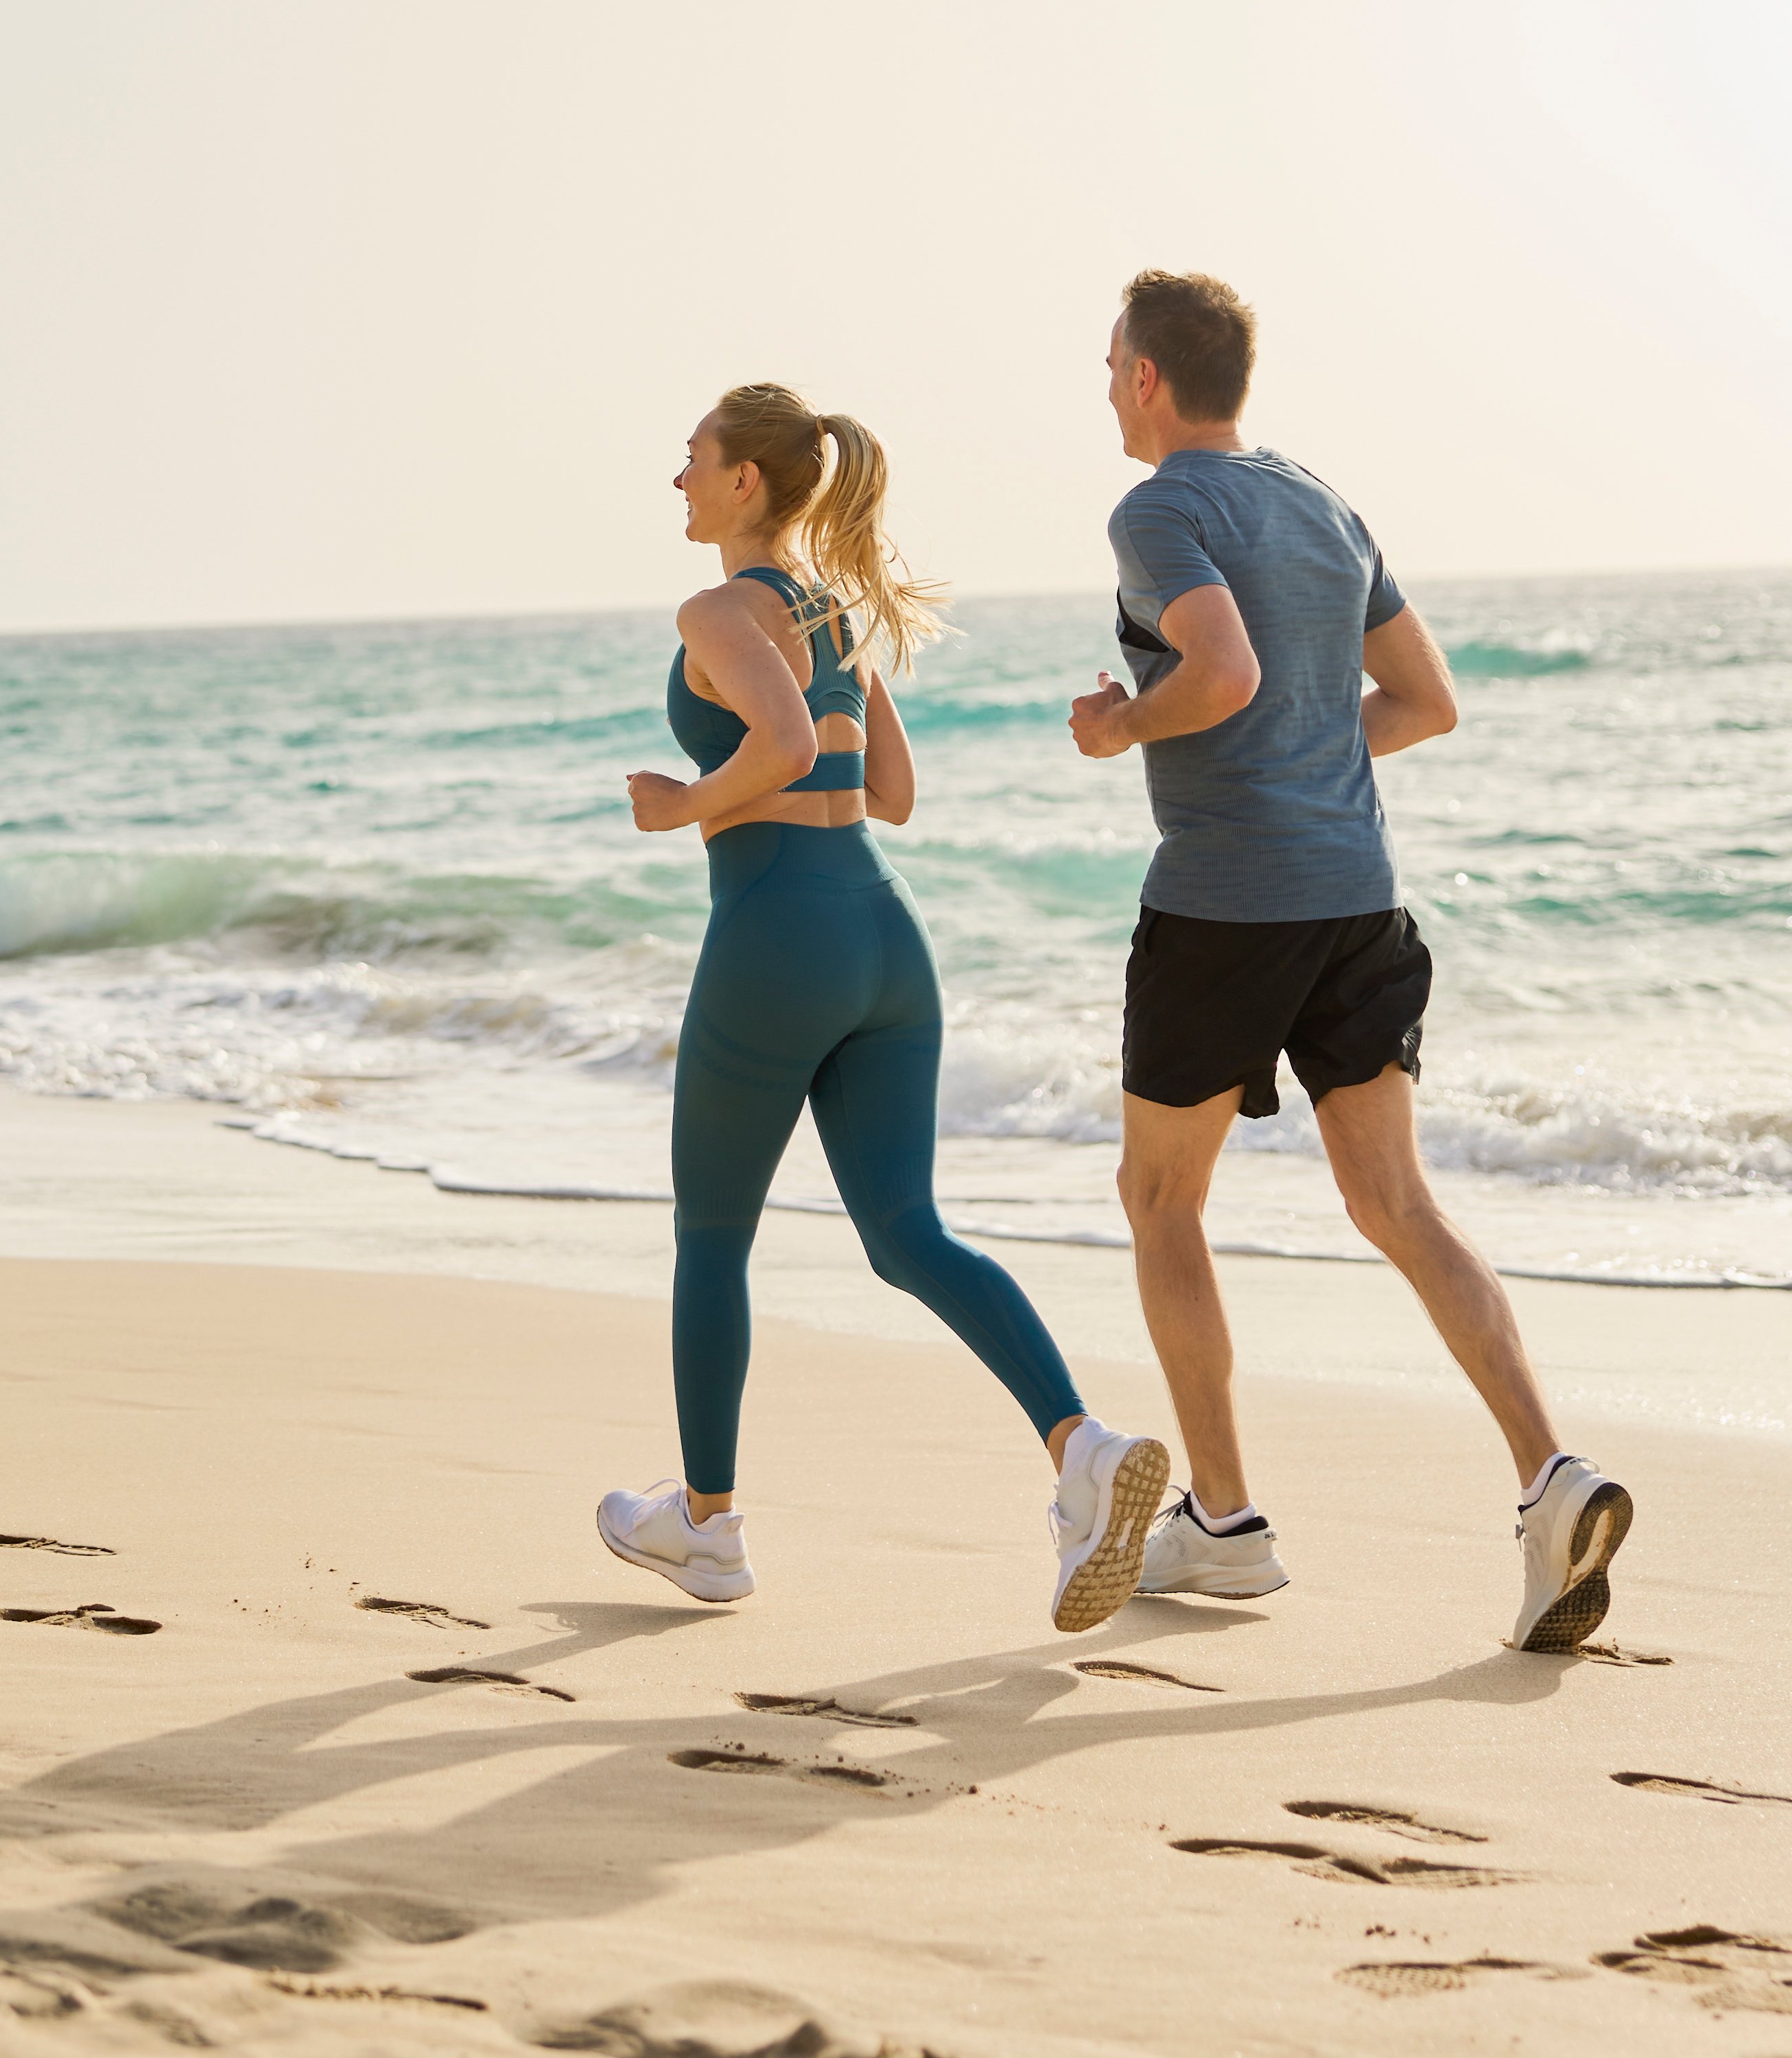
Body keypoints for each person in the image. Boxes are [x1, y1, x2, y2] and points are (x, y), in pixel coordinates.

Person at [1070, 269, 1631, 1651]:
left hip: (1225, 906)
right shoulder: (1325, 503)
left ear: (1146, 377)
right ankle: (1549, 1478)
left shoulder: (1157, 510)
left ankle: (1224, 1524)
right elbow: (1425, 703)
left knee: (1159, 1198)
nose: (1103, 390)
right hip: (1358, 902)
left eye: (1107, 365)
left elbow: (1223, 674)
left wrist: (1123, 726)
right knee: (1397, 1205)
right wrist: (1305, 754)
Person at [603, 382, 1169, 1630]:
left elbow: (789, 749)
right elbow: (891, 791)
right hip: (885, 937)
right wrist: (771, 758)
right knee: (909, 1232)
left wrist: (683, 805)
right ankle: (1081, 1449)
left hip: (779, 935)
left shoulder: (719, 609)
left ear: (745, 480)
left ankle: (708, 1527)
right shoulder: (835, 610)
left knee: (713, 1236)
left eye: (692, 459)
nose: (680, 481)